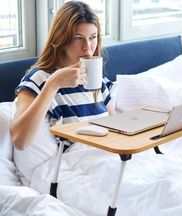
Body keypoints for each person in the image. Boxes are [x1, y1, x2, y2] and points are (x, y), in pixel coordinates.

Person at [10, 1, 115, 151]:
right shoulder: (39, 79)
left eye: (92, 37)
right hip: (77, 163)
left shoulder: (97, 78)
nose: (87, 47)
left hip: (106, 155)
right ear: (61, 39)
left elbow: (116, 128)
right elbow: (19, 141)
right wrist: (54, 83)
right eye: (78, 38)